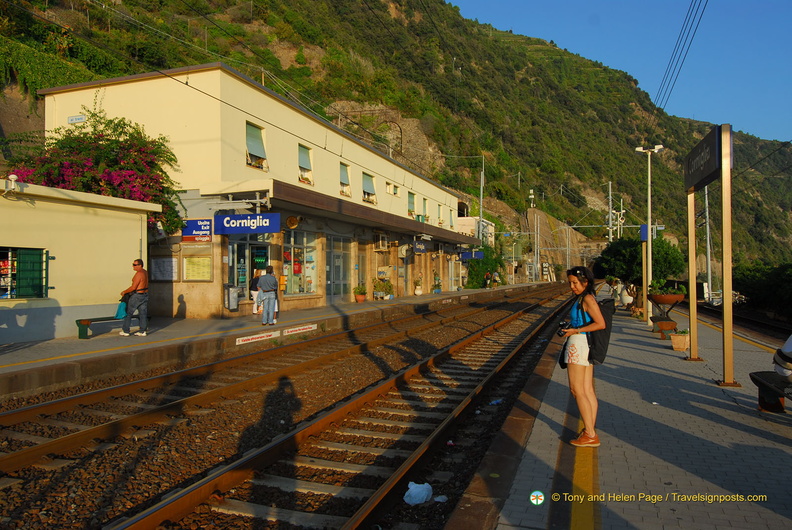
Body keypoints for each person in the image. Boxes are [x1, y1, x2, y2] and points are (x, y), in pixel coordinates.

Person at [560, 266, 606, 447]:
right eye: (570, 283)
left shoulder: (586, 298)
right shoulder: (584, 298)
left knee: (577, 390)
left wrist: (575, 329)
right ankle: (589, 430)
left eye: (575, 283)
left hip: (578, 346)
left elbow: (600, 323)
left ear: (585, 282)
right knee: (587, 391)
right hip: (582, 344)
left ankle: (590, 434)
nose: (572, 286)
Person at [120, 258, 149, 337]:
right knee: (143, 314)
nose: (133, 266)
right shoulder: (145, 272)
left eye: (135, 265)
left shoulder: (139, 274)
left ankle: (126, 330)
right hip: (145, 295)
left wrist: (124, 292)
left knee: (128, 313)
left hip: (137, 295)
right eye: (133, 264)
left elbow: (133, 287)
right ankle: (143, 331)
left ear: (140, 265)